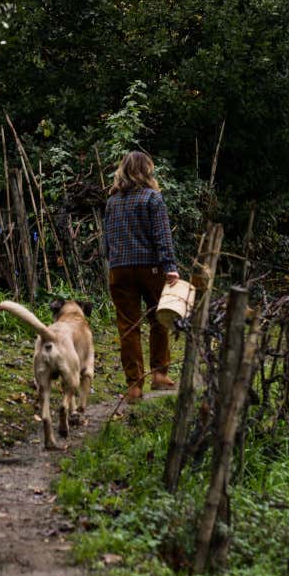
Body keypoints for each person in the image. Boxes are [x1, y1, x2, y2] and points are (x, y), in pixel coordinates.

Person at [103, 150, 180, 403]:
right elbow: (162, 235)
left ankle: (134, 386)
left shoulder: (112, 201)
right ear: (146, 170)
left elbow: (107, 241)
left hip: (120, 269)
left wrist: (112, 260)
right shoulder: (152, 198)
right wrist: (170, 266)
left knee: (128, 326)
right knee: (159, 318)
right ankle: (159, 374)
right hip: (150, 268)